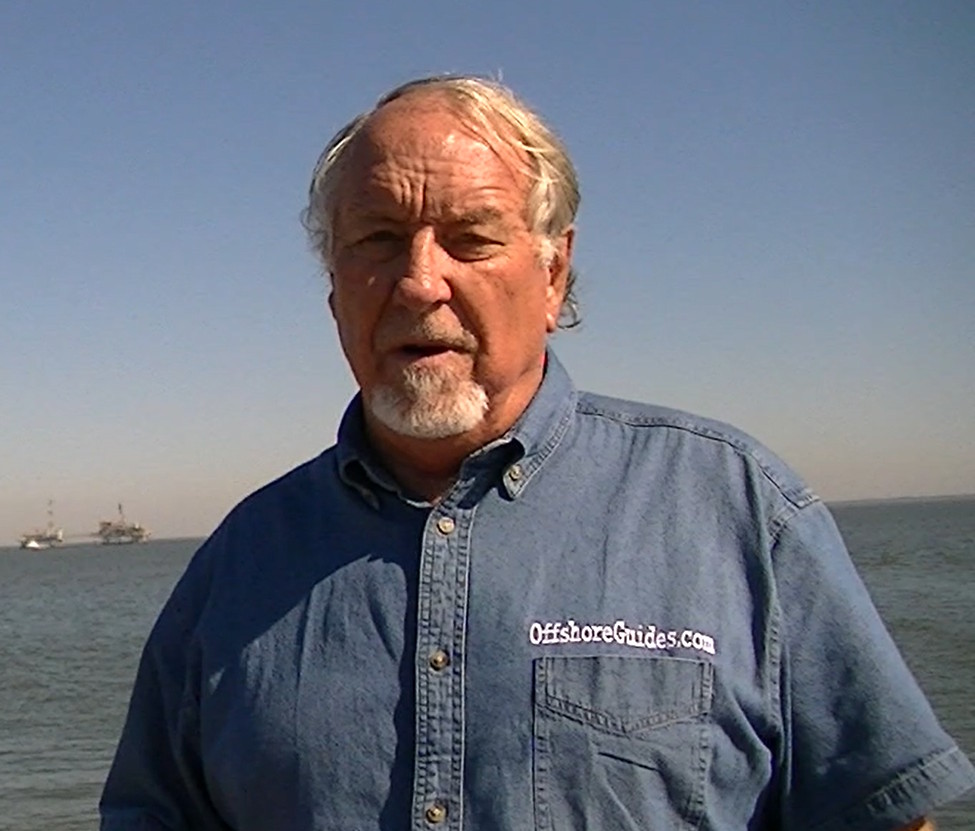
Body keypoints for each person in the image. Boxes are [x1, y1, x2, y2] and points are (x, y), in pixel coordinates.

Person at [100, 75, 974, 831]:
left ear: (553, 272)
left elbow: (881, 805)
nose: (418, 279)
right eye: (374, 240)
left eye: (470, 237)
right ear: (334, 288)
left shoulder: (738, 511)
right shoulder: (238, 565)